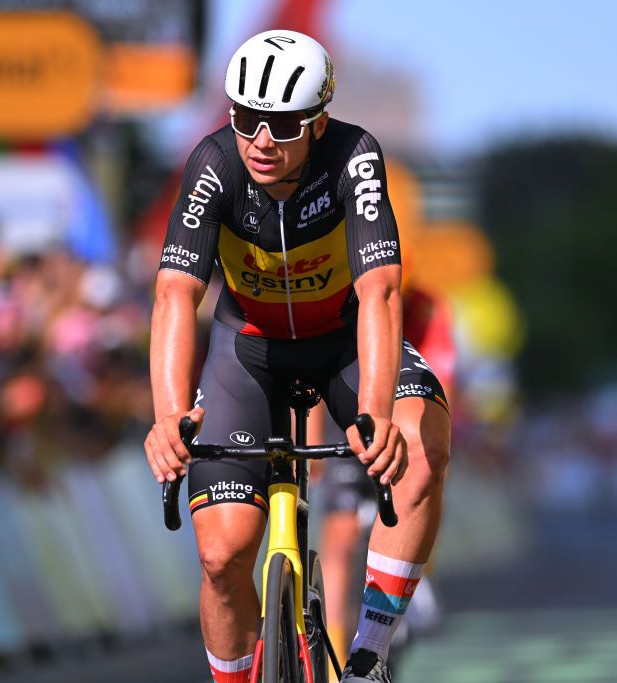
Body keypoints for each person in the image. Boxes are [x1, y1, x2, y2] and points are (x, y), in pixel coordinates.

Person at [143, 30, 451, 683]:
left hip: (342, 341)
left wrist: (375, 414)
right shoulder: (215, 164)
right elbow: (175, 294)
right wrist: (168, 415)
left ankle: (368, 653)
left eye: (281, 125)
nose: (259, 138)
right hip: (248, 352)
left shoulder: (353, 157)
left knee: (421, 443)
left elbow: (381, 290)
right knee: (224, 556)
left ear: (318, 121)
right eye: (246, 117)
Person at [314, 283, 455, 670]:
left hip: (401, 393)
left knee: (424, 466)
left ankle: (414, 578)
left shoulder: (425, 306)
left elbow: (444, 376)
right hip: (344, 393)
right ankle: (333, 654)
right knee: (341, 533)